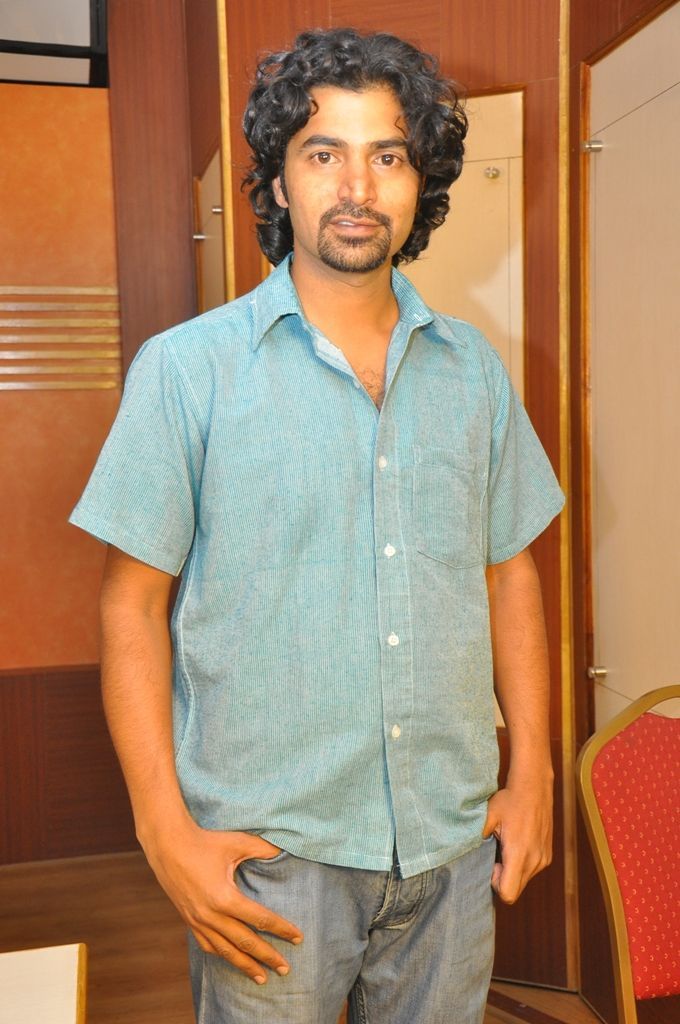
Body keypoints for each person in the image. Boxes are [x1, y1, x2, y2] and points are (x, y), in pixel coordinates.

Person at [70, 27, 564, 1024]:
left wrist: (534, 773)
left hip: (449, 848)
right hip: (269, 862)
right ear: (279, 182)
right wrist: (163, 832)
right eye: (323, 152)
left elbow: (509, 573)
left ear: (419, 182)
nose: (356, 186)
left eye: (387, 155)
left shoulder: (473, 370)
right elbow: (130, 607)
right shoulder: (187, 371)